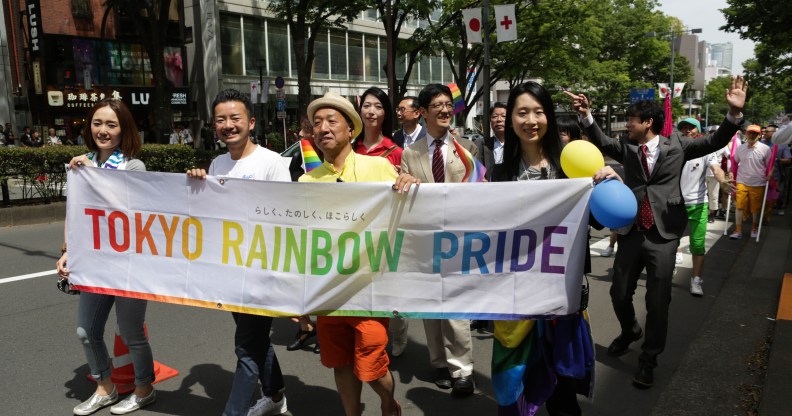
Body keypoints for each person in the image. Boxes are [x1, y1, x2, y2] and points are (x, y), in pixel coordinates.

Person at [565, 75, 746, 389]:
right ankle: (630, 330)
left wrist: (733, 115)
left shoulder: (678, 144)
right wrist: (585, 115)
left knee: (658, 301)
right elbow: (602, 142)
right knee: (618, 292)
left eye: (631, 120)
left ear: (647, 122)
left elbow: (714, 142)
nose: (627, 125)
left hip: (664, 234)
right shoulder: (628, 147)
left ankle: (649, 359)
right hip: (633, 231)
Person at [299, 91, 419, 416]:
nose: (323, 128)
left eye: (331, 121)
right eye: (317, 123)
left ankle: (387, 402)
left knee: (372, 368)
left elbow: (412, 211)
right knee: (340, 362)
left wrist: (410, 182)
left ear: (350, 129)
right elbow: (299, 241)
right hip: (329, 292)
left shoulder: (378, 167)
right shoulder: (306, 181)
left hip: (369, 290)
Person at [490, 81, 603, 415]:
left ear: (549, 118)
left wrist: (607, 181)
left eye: (538, 112)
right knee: (510, 387)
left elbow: (595, 221)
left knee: (562, 396)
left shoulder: (571, 170)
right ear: (510, 119)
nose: (531, 120)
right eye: (522, 112)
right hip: (513, 300)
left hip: (558, 299)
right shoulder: (498, 175)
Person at [186, 89, 290, 416]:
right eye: (221, 120)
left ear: (251, 122)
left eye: (235, 118)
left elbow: (285, 217)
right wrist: (197, 182)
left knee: (245, 346)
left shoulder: (272, 163)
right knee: (255, 339)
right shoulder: (217, 163)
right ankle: (274, 395)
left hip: (261, 272)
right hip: (230, 271)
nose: (228, 125)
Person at [56, 98, 156, 415]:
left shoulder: (132, 166)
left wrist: (93, 174)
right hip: (94, 264)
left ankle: (143, 388)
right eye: (97, 123)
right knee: (86, 330)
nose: (103, 130)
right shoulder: (80, 164)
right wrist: (67, 250)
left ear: (123, 129)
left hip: (128, 265)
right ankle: (106, 386)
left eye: (111, 124)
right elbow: (74, 214)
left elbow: (130, 210)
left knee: (131, 332)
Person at [400, 83, 477, 397]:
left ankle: (463, 369)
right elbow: (403, 198)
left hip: (459, 240)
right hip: (425, 241)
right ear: (423, 112)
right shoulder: (410, 153)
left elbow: (481, 192)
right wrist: (404, 181)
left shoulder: (467, 148)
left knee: (457, 308)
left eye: (448, 105)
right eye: (437, 106)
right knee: (430, 306)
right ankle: (439, 363)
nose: (445, 110)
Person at [676, 119, 734, 296]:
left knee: (698, 245)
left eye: (690, 127)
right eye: (683, 128)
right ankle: (667, 268)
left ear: (698, 131)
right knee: (669, 242)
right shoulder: (674, 149)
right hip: (675, 204)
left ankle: (696, 280)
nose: (687, 131)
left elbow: (716, 169)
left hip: (699, 204)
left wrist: (722, 180)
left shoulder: (705, 151)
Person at [730, 124, 771, 240]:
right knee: (739, 206)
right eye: (750, 133)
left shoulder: (765, 149)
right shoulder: (740, 148)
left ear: (759, 135)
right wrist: (732, 172)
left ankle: (754, 228)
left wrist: (770, 174)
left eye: (755, 133)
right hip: (741, 181)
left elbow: (770, 165)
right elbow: (734, 163)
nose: (752, 135)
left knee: (755, 208)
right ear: (746, 134)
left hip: (758, 182)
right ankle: (738, 230)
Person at [354, 87, 403, 167]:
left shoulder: (397, 153)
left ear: (386, 113)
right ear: (360, 112)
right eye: (366, 106)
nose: (371, 112)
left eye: (378, 107)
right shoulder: (350, 149)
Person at [478, 102, 507, 181]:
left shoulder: (518, 145)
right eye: (495, 116)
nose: (499, 120)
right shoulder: (481, 145)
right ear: (490, 121)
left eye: (504, 116)